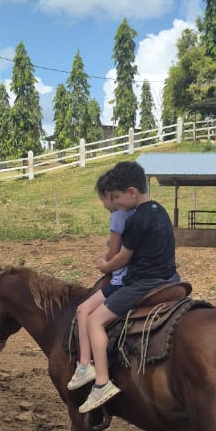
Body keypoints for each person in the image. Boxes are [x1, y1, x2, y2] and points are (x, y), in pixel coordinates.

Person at [76, 160, 179, 415]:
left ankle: (101, 382)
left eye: (118, 197)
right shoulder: (161, 211)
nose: (117, 204)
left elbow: (123, 258)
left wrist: (104, 266)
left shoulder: (136, 221)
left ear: (132, 192)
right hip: (171, 280)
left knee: (94, 322)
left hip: (143, 283)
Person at [67, 173, 133, 392]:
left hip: (121, 279)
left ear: (108, 196)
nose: (104, 205)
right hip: (140, 274)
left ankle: (86, 365)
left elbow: (114, 253)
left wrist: (102, 261)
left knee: (83, 310)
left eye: (103, 200)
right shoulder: (137, 213)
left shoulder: (118, 216)